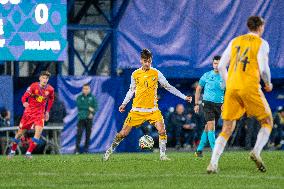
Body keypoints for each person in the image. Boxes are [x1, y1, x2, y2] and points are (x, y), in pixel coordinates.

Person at [207, 16, 273, 173]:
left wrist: (229, 82)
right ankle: (256, 152)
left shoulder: (235, 41)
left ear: (248, 26)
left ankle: (213, 163)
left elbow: (222, 65)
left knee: (227, 128)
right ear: (261, 27)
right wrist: (268, 83)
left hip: (232, 87)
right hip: (249, 86)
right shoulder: (261, 43)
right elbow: (263, 69)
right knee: (268, 121)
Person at [103, 49, 192, 161]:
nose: (147, 63)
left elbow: (168, 87)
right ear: (141, 60)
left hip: (153, 110)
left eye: (149, 61)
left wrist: (184, 97)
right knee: (123, 133)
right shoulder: (135, 74)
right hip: (137, 110)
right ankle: (109, 151)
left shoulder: (156, 73)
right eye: (145, 61)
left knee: (162, 131)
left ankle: (163, 155)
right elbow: (131, 91)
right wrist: (124, 104)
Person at [8, 71, 55, 159]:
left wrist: (47, 111)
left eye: (47, 78)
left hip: (39, 115)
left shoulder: (50, 89)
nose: (45, 80)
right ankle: (12, 151)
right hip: (28, 114)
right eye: (43, 78)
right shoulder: (33, 86)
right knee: (19, 134)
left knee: (38, 133)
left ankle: (28, 153)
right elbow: (24, 96)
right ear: (40, 78)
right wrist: (24, 102)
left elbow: (51, 100)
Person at [194, 56, 225, 157]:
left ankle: (199, 150)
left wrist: (225, 103)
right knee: (212, 125)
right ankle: (215, 150)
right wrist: (196, 103)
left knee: (208, 127)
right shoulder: (207, 75)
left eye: (218, 63)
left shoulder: (225, 77)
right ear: (213, 64)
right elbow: (198, 89)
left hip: (219, 105)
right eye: (215, 63)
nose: (216, 65)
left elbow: (229, 91)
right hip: (207, 104)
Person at [75, 84, 98, 154]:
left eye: (87, 89)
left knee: (88, 135)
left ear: (90, 89)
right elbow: (80, 106)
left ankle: (86, 150)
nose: (86, 90)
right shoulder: (79, 97)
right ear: (82, 90)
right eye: (84, 89)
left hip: (89, 119)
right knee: (79, 134)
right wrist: (89, 107)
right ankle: (77, 150)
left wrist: (92, 113)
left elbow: (96, 107)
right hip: (81, 118)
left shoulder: (92, 97)